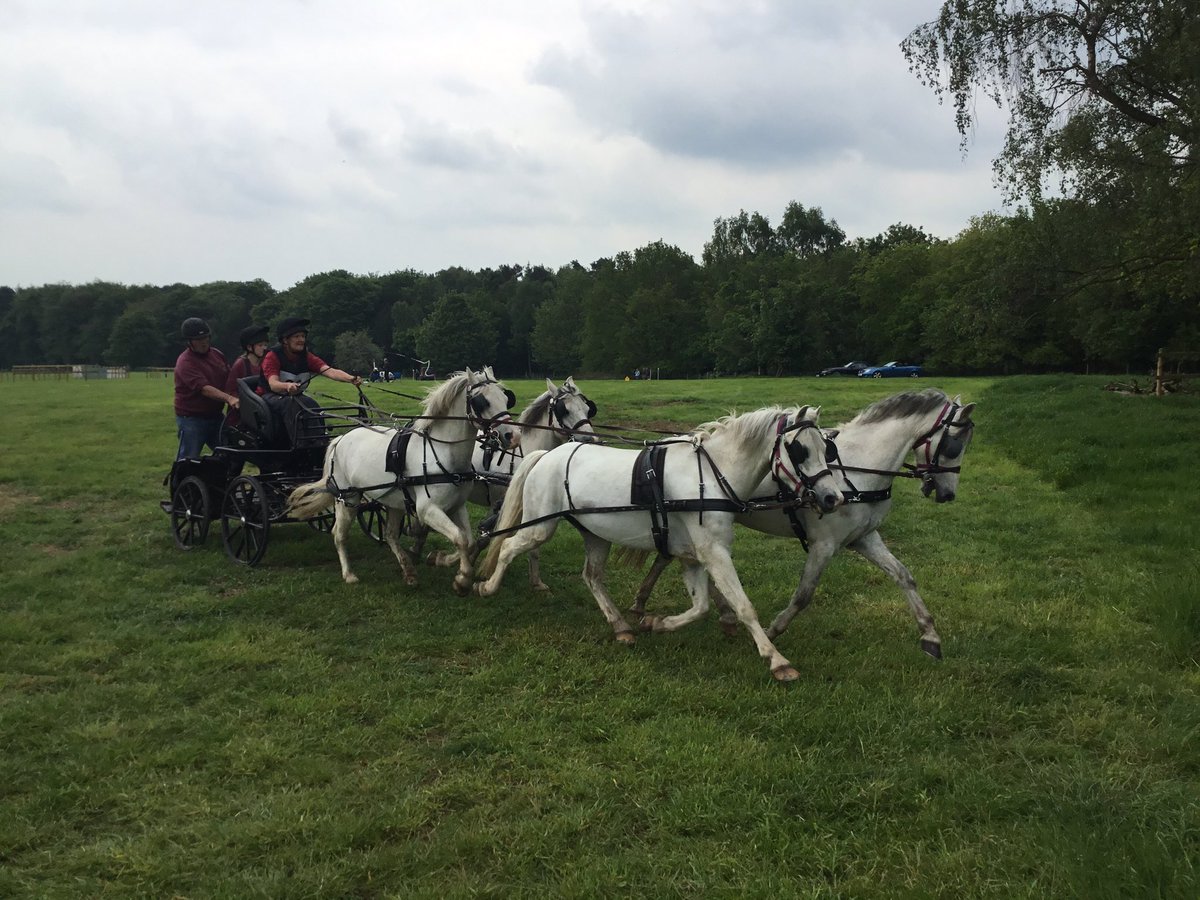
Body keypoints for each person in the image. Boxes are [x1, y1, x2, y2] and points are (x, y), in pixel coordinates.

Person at [261, 317, 362, 446]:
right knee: (291, 405)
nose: (301, 340)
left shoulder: (306, 356)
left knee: (312, 404)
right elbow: (273, 384)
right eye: (297, 336)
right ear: (285, 340)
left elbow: (329, 371)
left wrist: (350, 378)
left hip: (293, 397)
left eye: (303, 336)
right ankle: (300, 445)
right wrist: (287, 386)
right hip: (270, 396)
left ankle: (320, 442)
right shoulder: (273, 356)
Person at [173, 317, 237, 459]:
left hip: (215, 415)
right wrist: (229, 398)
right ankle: (182, 481)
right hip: (192, 418)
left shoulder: (217, 354)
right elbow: (204, 388)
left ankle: (217, 478)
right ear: (189, 342)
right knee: (188, 458)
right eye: (198, 339)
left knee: (230, 452)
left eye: (206, 337)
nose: (204, 342)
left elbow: (230, 377)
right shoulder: (185, 362)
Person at [223, 324, 269, 429]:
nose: (264, 348)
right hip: (241, 418)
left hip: (262, 413)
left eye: (265, 345)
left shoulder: (266, 363)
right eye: (260, 345)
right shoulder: (240, 364)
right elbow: (231, 391)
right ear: (249, 347)